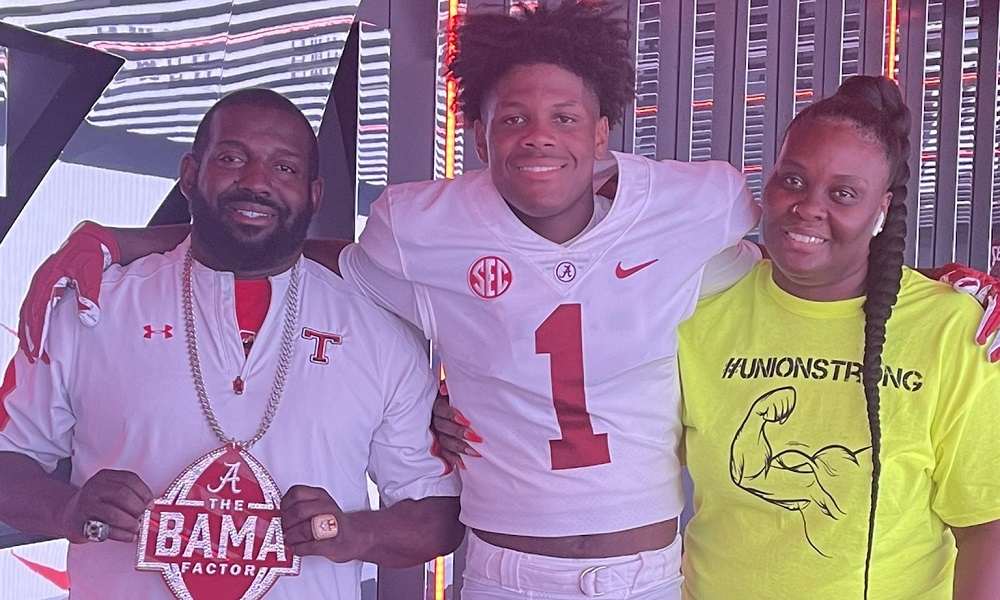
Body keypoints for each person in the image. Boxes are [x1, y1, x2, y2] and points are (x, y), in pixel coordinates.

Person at [15, 4, 761, 598]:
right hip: (505, 570)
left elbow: (797, 262)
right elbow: (313, 251)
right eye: (513, 118)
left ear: (603, 135)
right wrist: (126, 242)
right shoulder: (422, 230)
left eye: (566, 118)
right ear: (475, 134)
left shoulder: (699, 204)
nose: (540, 137)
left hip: (650, 567)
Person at [0, 88, 463, 599]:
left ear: (315, 194)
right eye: (232, 158)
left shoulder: (378, 333)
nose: (256, 181)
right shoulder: (89, 307)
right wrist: (65, 510)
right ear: (190, 174)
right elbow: (8, 457)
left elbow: (439, 515)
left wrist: (352, 532)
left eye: (284, 168)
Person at [676, 76, 1000, 599]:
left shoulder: (951, 330)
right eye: (793, 180)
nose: (808, 207)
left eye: (844, 193)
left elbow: (987, 525)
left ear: (881, 209)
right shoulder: (699, 310)